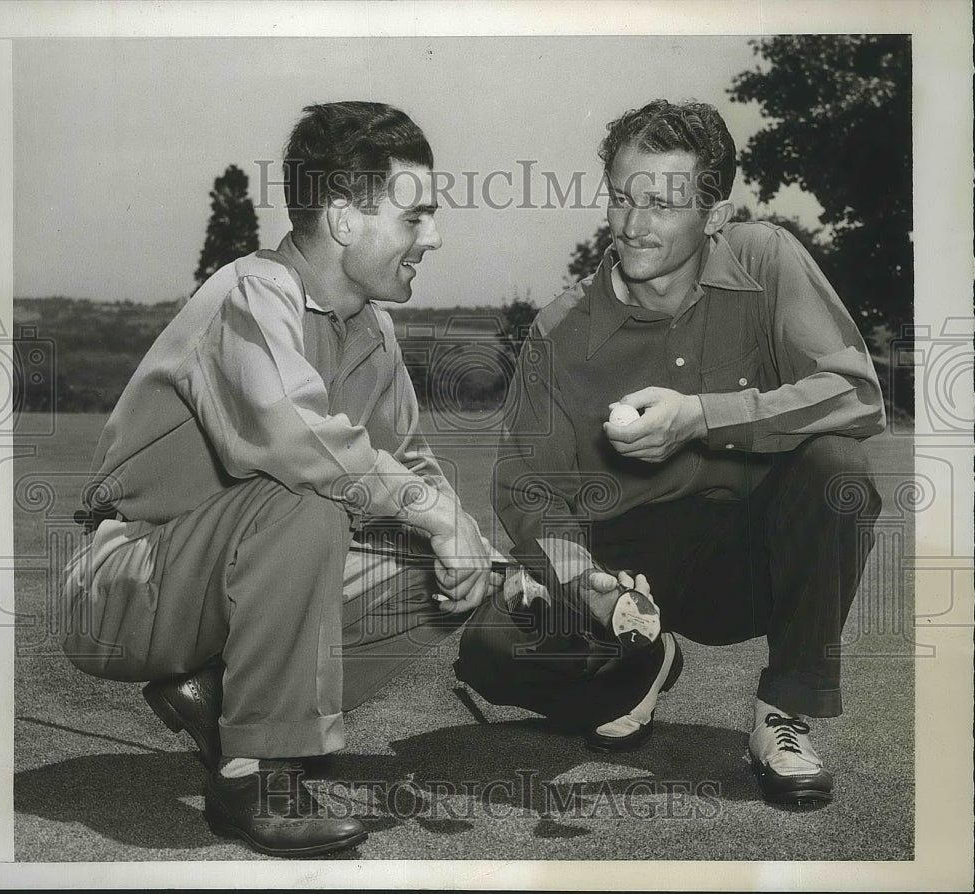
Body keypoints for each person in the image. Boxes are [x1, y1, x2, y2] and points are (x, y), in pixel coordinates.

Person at [61, 101, 495, 858]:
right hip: (128, 580)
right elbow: (292, 441)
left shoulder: (371, 329)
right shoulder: (251, 291)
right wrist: (429, 510)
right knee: (307, 498)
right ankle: (250, 775)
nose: (434, 236)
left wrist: (461, 532)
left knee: (447, 568)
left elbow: (413, 461)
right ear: (342, 218)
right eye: (415, 215)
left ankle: (228, 705)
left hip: (223, 577)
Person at [455, 98, 885, 807]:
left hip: (750, 560)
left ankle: (781, 714)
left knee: (839, 469)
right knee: (491, 653)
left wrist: (704, 419)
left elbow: (854, 392)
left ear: (714, 215)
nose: (632, 223)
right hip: (626, 566)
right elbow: (528, 489)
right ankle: (647, 657)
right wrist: (583, 579)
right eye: (622, 197)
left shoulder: (768, 257)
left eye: (661, 202)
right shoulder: (562, 328)